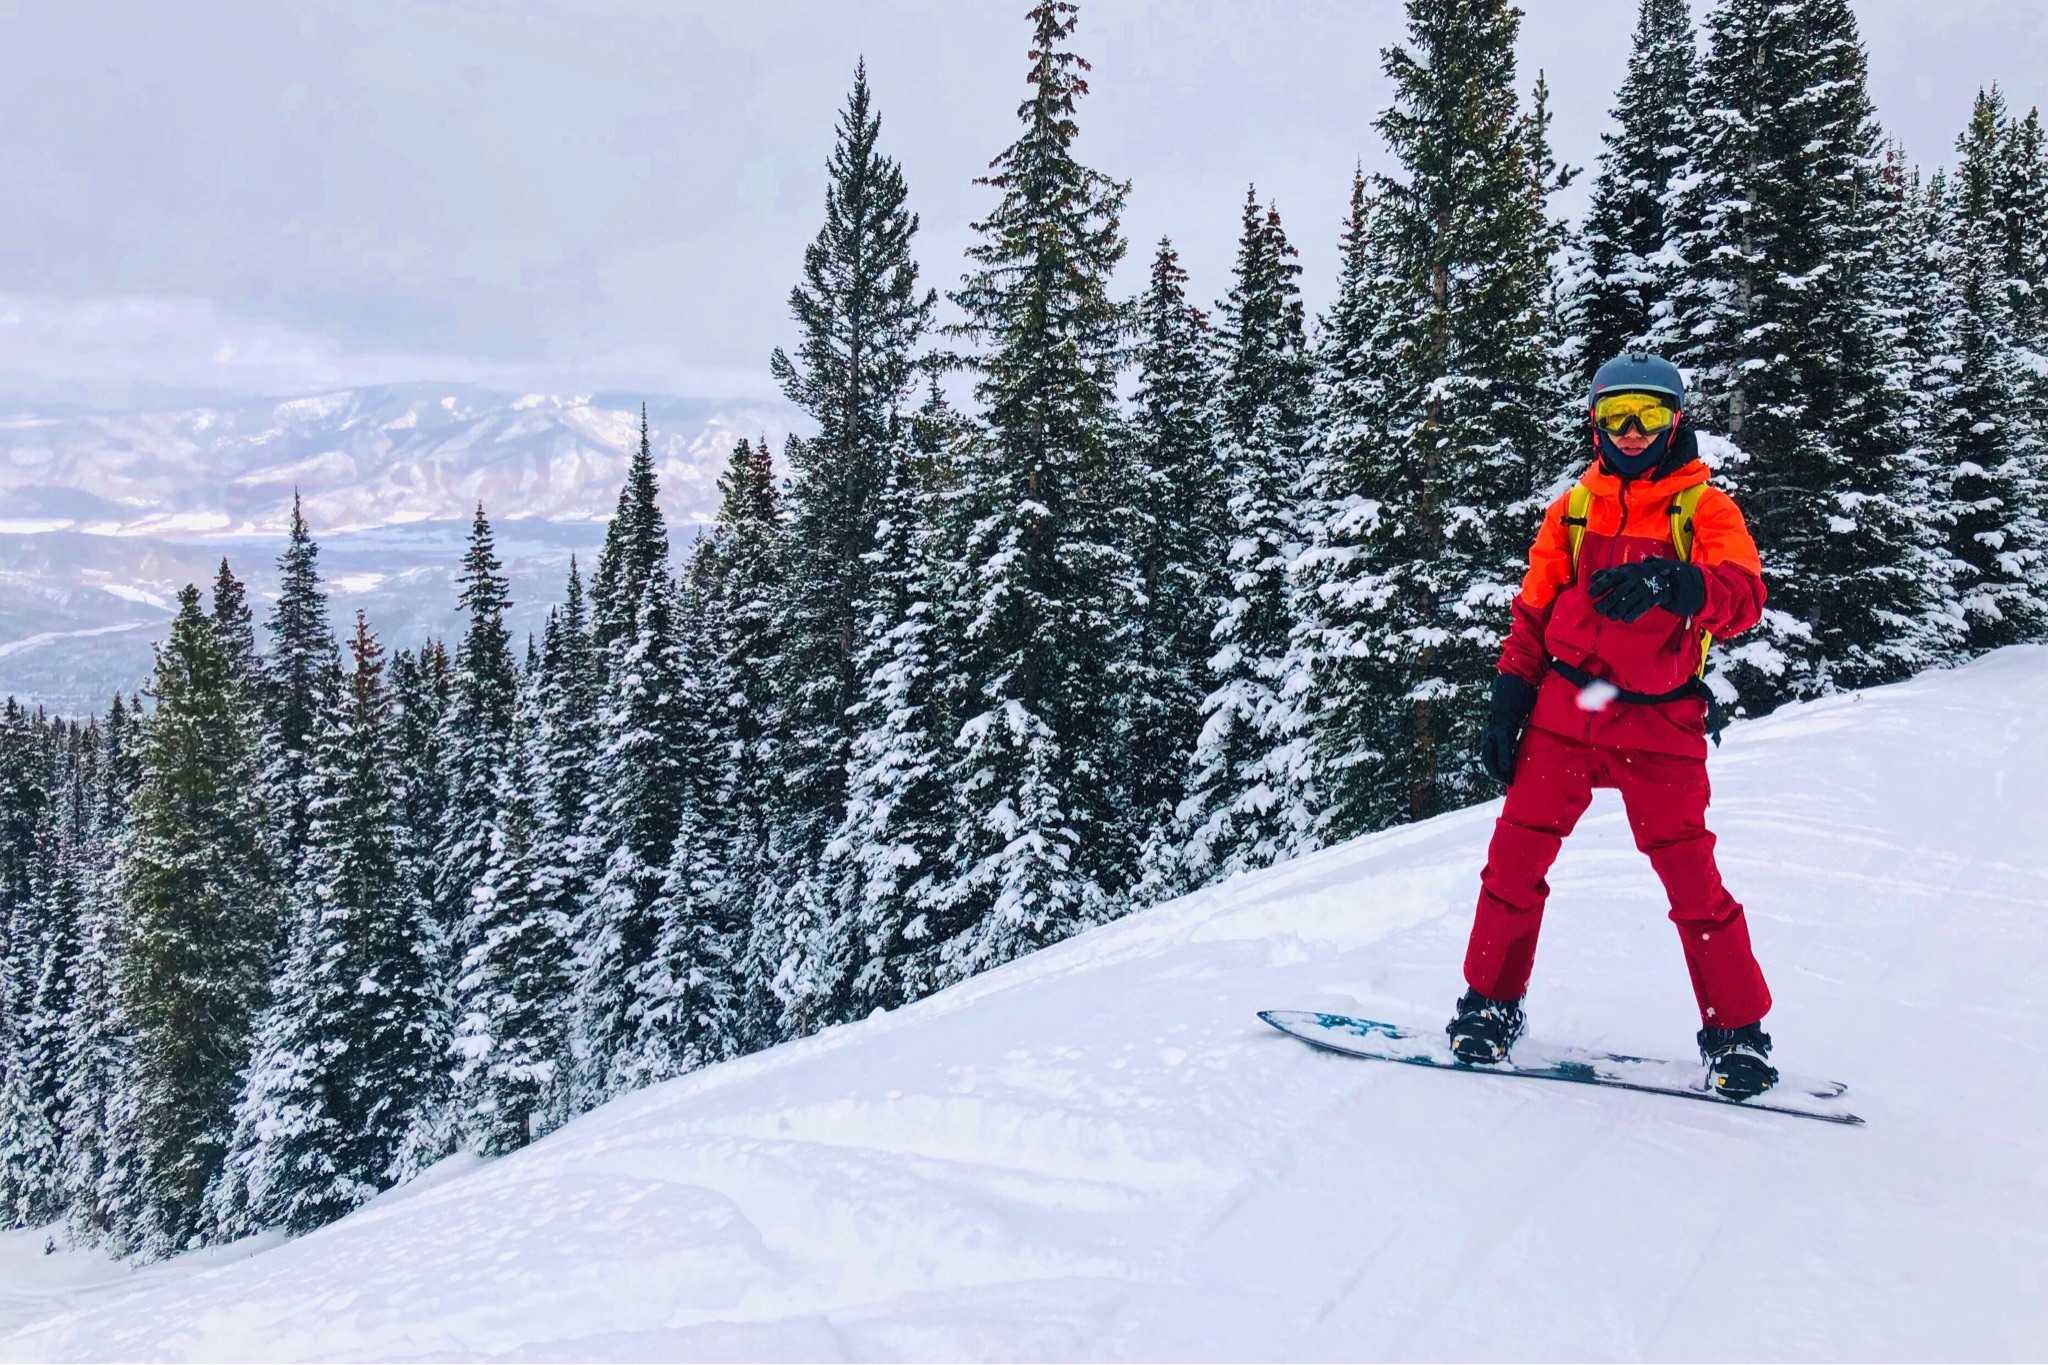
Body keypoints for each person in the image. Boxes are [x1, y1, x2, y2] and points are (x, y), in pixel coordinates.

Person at [1447, 350, 1778, 1099]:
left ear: (1675, 421)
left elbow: (1743, 598)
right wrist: (1508, 698)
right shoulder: (1572, 508)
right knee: (1513, 864)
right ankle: (1489, 1005)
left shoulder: (1704, 509)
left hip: (1661, 720)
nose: (1632, 432)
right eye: (1616, 416)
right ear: (1595, 423)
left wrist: (1677, 581)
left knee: (1693, 881)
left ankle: (1738, 1035)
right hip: (1567, 711)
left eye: (1649, 416)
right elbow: (1533, 611)